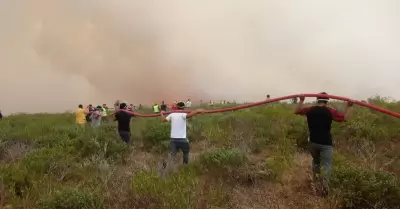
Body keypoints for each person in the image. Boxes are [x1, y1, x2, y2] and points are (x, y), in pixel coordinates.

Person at [294, 92, 353, 195]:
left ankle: (316, 185)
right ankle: (324, 188)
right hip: (326, 144)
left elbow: (296, 111)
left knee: (316, 162)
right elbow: (345, 118)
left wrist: (301, 100)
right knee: (327, 165)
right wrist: (349, 106)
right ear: (327, 101)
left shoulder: (310, 109)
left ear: (317, 99)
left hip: (313, 142)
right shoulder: (331, 111)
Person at [160, 101, 204, 166]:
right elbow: (190, 115)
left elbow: (163, 120)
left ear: (177, 107)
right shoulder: (183, 114)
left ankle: (166, 163)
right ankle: (185, 166)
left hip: (173, 140)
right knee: (185, 153)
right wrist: (197, 111)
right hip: (182, 140)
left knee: (172, 154)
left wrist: (161, 114)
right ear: (183, 108)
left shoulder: (172, 114)